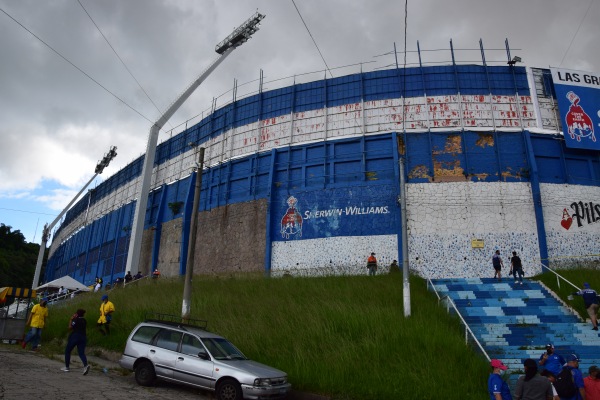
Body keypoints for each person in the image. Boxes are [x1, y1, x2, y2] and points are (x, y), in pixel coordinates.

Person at [62, 308, 90, 375]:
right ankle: (86, 366)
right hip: (83, 337)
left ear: (77, 314)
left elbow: (70, 327)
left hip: (75, 336)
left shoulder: (75, 320)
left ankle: (67, 367)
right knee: (81, 353)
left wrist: (71, 319)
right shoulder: (84, 320)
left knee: (68, 351)